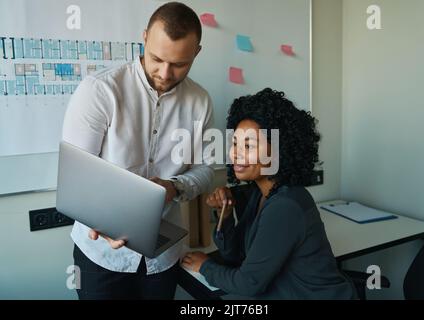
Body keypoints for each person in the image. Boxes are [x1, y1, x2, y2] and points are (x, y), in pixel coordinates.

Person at [62, 2, 214, 299]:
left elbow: (207, 170)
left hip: (163, 256)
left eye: (180, 64)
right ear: (144, 38)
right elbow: (75, 178)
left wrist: (175, 186)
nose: (166, 72)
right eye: (157, 58)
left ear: (196, 52)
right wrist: (99, 220)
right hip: (101, 254)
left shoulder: (201, 101)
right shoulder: (99, 91)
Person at [182, 88, 356, 299]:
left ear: (279, 150)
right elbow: (235, 256)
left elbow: (248, 284)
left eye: (249, 146)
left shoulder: (285, 205)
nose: (234, 153)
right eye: (235, 143)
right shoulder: (258, 192)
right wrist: (225, 217)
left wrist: (204, 266)